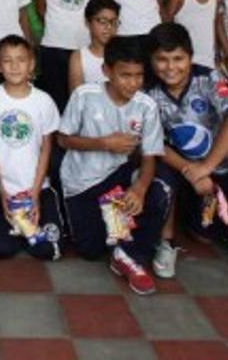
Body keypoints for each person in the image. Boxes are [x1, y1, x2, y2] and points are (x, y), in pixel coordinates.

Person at [58, 37, 170, 295]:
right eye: (125, 75)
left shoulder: (146, 106)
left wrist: (140, 188)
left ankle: (130, 254)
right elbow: (63, 139)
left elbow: (150, 155)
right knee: (91, 250)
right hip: (82, 182)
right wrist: (104, 143)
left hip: (120, 174)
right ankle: (116, 226)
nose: (133, 83)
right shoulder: (84, 95)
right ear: (106, 71)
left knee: (160, 189)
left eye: (139, 75)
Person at [144, 23, 228, 279]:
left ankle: (197, 213)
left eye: (178, 59)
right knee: (161, 181)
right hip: (176, 164)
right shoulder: (147, 91)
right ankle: (166, 242)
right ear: (151, 60)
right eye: (162, 59)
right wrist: (191, 171)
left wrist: (206, 168)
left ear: (190, 57)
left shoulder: (209, 78)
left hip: (214, 167)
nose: (170, 67)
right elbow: (154, 142)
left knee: (205, 234)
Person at [0, 37, 64, 261]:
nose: (15, 66)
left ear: (32, 64)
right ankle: (9, 227)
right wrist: (2, 191)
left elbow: (46, 149)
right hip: (4, 189)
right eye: (7, 61)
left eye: (21, 60)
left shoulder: (44, 101)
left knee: (46, 250)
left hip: (36, 188)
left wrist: (35, 193)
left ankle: (27, 227)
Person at [66, 0, 120, 95]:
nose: (109, 27)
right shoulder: (79, 58)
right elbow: (77, 98)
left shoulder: (124, 54)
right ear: (87, 23)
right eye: (102, 21)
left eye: (113, 22)